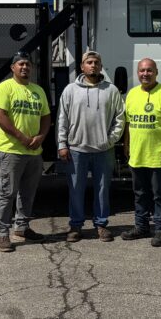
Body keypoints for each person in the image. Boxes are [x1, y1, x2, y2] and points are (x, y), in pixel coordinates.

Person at [57, 50, 125, 243]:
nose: (93, 65)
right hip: (76, 149)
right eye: (89, 62)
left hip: (103, 150)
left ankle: (101, 225)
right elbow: (62, 119)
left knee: (103, 190)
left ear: (101, 66)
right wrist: (62, 144)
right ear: (82, 66)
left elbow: (120, 118)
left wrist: (109, 140)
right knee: (76, 190)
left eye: (96, 62)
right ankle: (76, 226)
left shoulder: (111, 90)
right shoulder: (70, 90)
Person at [0, 52, 51, 253]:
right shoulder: (5, 88)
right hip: (12, 150)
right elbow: (0, 116)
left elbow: (46, 117)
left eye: (28, 64)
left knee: (28, 193)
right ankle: (2, 234)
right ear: (13, 68)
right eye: (21, 64)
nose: (25, 67)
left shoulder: (38, 90)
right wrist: (23, 138)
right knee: (7, 193)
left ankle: (23, 228)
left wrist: (41, 137)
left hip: (34, 151)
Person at [120, 58, 161, 247]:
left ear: (156, 72)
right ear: (137, 73)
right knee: (139, 193)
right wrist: (126, 144)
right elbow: (129, 123)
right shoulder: (131, 94)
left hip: (158, 156)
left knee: (159, 195)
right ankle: (141, 227)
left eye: (149, 70)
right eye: (141, 71)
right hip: (137, 155)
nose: (145, 74)